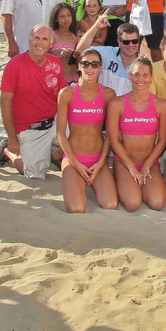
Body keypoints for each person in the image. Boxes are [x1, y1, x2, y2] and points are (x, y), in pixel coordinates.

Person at [0, 25, 64, 179]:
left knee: (82, 137)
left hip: (53, 123)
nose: (40, 42)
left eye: (44, 39)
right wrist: (12, 138)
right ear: (29, 40)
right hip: (29, 128)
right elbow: (5, 102)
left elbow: (61, 98)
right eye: (36, 38)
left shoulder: (56, 64)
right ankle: (6, 149)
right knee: (34, 174)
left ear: (51, 44)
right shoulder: (15, 65)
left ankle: (55, 154)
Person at [56, 48, 118, 213]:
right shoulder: (66, 93)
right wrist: (75, 163)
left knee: (110, 204)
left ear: (100, 68)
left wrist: (101, 163)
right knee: (77, 208)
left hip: (98, 159)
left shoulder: (108, 94)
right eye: (85, 63)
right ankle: (67, 170)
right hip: (74, 158)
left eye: (94, 64)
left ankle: (90, 180)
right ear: (79, 66)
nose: (89, 68)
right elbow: (61, 133)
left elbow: (111, 134)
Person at [107, 56, 166, 211]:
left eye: (145, 75)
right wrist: (131, 167)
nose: (140, 79)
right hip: (124, 161)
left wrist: (147, 166)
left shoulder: (162, 105)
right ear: (130, 75)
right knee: (132, 203)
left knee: (157, 203)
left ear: (151, 77)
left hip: (149, 162)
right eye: (136, 74)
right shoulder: (117, 103)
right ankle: (123, 182)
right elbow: (114, 140)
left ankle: (140, 182)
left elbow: (162, 140)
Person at [75, 13, 140, 95]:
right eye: (126, 42)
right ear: (119, 42)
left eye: (134, 41)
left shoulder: (143, 63)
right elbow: (81, 50)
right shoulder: (107, 53)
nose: (131, 45)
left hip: (127, 107)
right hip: (103, 105)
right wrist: (96, 27)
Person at [48, 2, 79, 85]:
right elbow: (44, 59)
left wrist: (77, 56)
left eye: (69, 15)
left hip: (74, 80)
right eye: (62, 16)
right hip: (56, 81)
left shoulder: (75, 38)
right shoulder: (51, 36)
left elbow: (81, 62)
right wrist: (61, 56)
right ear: (56, 19)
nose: (66, 19)